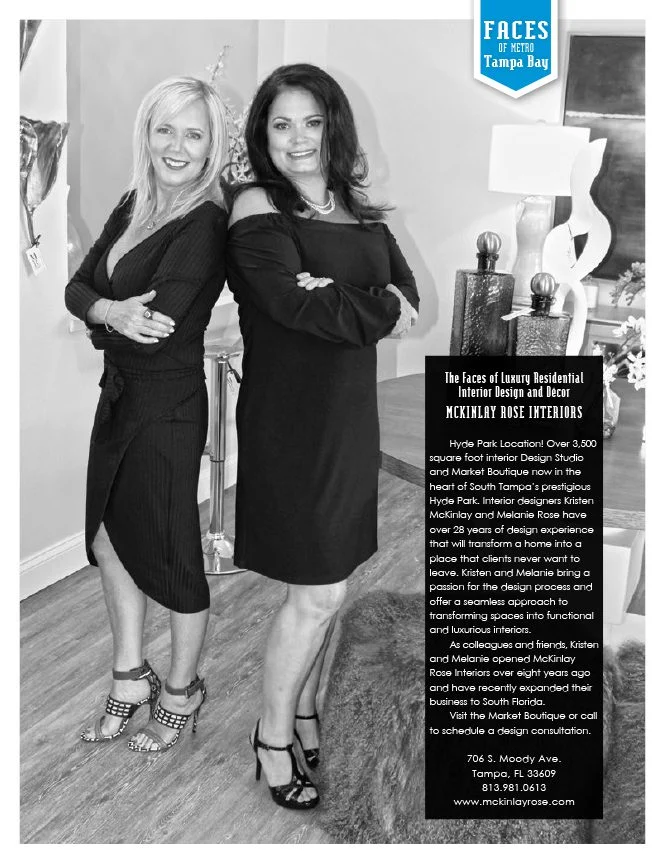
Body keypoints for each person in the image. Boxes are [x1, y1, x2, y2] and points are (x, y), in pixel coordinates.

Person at [225, 63, 419, 809]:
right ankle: (271, 737)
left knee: (324, 582)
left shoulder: (360, 212)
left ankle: (304, 712)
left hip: (347, 416)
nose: (298, 138)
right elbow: (290, 306)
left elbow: (408, 301)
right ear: (263, 136)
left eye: (311, 122)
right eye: (281, 124)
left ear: (333, 127)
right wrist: (365, 301)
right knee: (319, 591)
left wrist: (341, 294)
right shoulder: (256, 206)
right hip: (292, 420)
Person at [65, 76, 228, 752]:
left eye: (193, 134)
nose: (177, 146)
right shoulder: (135, 202)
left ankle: (182, 690)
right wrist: (108, 311)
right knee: (108, 539)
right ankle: (130, 678)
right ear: (147, 134)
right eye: (165, 129)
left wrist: (101, 316)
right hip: (118, 397)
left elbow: (157, 329)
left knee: (172, 554)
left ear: (212, 145)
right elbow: (77, 288)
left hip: (166, 408)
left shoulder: (206, 221)